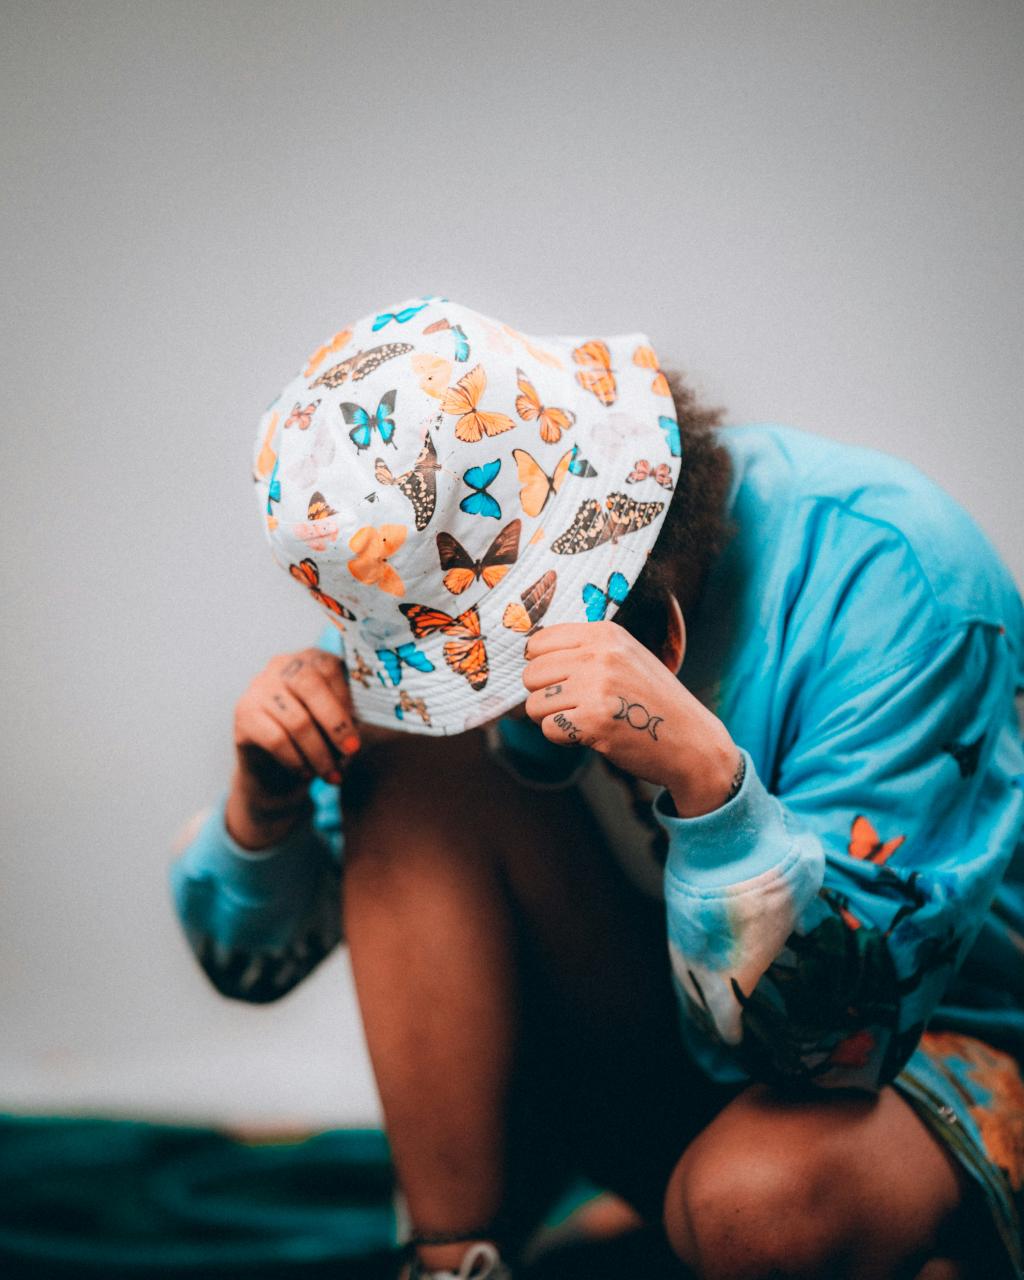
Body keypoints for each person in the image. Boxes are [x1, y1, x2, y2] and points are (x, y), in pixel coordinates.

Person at [169, 296, 1024, 1280]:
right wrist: (263, 811)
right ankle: (453, 1259)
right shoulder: (430, 571)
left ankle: (894, 1229)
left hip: (924, 1047)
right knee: (402, 765)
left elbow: (831, 1042)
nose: (476, 690)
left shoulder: (900, 575)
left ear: (647, 610)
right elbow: (249, 969)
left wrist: (706, 783)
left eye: (487, 662)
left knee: (754, 1210)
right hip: (674, 1032)